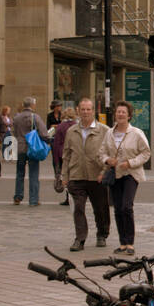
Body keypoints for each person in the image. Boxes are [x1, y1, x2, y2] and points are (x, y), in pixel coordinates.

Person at [100, 100, 151, 254]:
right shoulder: (109, 133)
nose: (120, 114)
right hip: (115, 174)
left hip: (131, 174)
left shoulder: (136, 133)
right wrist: (107, 160)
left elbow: (146, 153)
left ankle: (130, 243)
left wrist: (130, 163)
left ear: (129, 116)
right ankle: (122, 243)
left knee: (126, 206)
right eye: (118, 112)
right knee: (117, 209)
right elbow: (102, 152)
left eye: (123, 112)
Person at [62, 97, 111, 251]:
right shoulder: (71, 131)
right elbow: (66, 155)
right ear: (78, 110)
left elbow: (110, 154)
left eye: (88, 109)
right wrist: (65, 176)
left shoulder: (104, 130)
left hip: (97, 176)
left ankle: (102, 234)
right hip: (77, 175)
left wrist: (104, 172)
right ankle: (80, 239)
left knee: (101, 208)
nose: (85, 112)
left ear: (93, 111)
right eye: (82, 109)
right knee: (78, 208)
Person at [13, 96, 49, 206]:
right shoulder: (35, 117)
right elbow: (43, 133)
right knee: (33, 173)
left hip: (20, 147)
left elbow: (14, 132)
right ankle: (33, 199)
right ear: (33, 105)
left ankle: (18, 196)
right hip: (32, 147)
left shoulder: (17, 118)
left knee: (20, 173)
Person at [49, 106, 77, 207]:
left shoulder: (60, 126)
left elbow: (56, 144)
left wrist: (55, 160)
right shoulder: (76, 125)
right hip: (74, 154)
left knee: (65, 175)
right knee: (73, 175)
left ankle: (67, 197)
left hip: (62, 155)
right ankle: (73, 197)